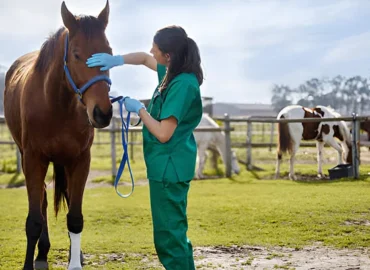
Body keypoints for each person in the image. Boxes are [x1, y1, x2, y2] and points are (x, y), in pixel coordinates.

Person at [86, 25, 203, 270]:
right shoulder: (172, 73)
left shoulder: (181, 84)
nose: (152, 51)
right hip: (166, 167)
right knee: (172, 233)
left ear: (168, 55)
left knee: (169, 238)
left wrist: (139, 108)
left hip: (169, 168)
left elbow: (163, 133)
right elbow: (142, 58)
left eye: (156, 48)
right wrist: (116, 60)